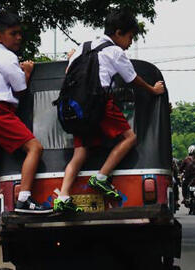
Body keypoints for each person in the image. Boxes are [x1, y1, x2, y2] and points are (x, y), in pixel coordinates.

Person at [53, 8, 165, 212]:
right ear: (119, 33)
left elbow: (69, 71)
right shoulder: (115, 52)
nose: (130, 42)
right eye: (130, 37)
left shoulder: (82, 47)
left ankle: (63, 196)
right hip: (100, 103)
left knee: (81, 151)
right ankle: (101, 177)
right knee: (129, 138)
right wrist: (153, 89)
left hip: (76, 106)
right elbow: (132, 79)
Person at [0, 11, 53, 240]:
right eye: (13, 34)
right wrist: (26, 71)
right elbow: (21, 89)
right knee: (35, 148)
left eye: (19, 34)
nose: (18, 38)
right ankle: (24, 199)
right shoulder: (7, 58)